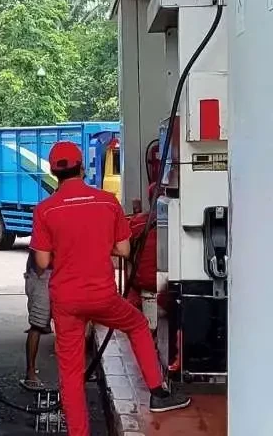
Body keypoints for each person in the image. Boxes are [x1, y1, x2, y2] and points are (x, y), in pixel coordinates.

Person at [31, 141, 191, 436]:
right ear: (82, 167)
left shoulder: (45, 210)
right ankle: (158, 393)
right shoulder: (106, 202)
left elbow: (41, 261)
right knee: (138, 324)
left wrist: (64, 250)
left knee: (70, 371)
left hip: (66, 300)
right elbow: (124, 249)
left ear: (54, 173)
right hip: (103, 296)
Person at [19, 248, 52, 391]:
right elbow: (41, 259)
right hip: (42, 275)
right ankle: (30, 374)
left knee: (40, 324)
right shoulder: (44, 225)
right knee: (36, 325)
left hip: (47, 273)